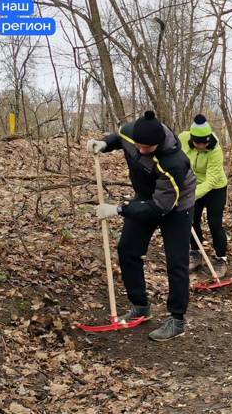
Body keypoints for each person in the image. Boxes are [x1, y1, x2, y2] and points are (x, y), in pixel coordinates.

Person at [87, 110, 196, 341]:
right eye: (138, 145)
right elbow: (119, 139)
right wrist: (104, 143)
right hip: (145, 196)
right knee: (127, 249)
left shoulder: (174, 162)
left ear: (157, 143)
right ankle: (140, 306)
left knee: (176, 261)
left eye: (147, 148)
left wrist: (117, 209)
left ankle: (177, 319)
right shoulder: (130, 134)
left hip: (175, 205)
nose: (140, 150)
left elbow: (159, 207)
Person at [179, 114, 229, 278]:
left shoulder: (215, 150)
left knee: (215, 223)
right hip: (193, 184)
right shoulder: (183, 138)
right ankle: (195, 253)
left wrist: (190, 195)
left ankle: (221, 258)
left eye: (205, 142)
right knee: (191, 220)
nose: (202, 146)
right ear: (192, 138)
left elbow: (211, 179)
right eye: (198, 142)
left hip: (215, 187)